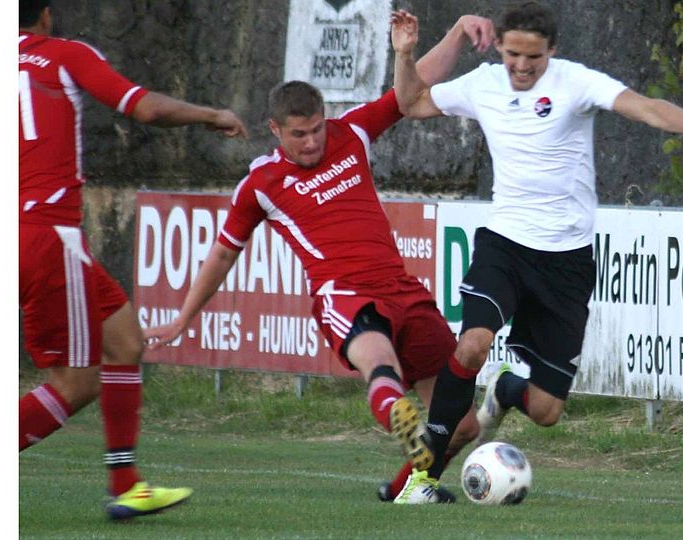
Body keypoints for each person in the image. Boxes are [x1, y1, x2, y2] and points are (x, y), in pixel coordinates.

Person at [144, 14, 498, 505]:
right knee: (382, 364)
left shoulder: (350, 133)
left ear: (324, 118)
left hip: (401, 288)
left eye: (315, 130)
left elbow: (411, 93)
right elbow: (224, 253)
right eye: (298, 135)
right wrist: (184, 317)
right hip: (345, 295)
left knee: (461, 426)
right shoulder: (261, 183)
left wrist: (448, 34)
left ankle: (405, 489)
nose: (311, 142)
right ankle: (397, 410)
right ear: (275, 130)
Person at [390, 1, 683, 483]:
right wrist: (405, 56)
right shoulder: (483, 84)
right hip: (505, 246)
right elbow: (411, 104)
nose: (521, 66)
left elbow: (644, 107)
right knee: (472, 345)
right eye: (513, 54)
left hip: (566, 262)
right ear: (499, 47)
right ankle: (425, 476)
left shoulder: (575, 82)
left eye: (533, 57)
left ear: (551, 51)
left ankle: (506, 391)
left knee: (547, 411)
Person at [18, 0, 248, 520]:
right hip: (47, 236)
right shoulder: (63, 54)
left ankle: (127, 483)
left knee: (124, 338)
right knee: (76, 384)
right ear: (47, 16)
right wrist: (211, 114)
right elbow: (142, 106)